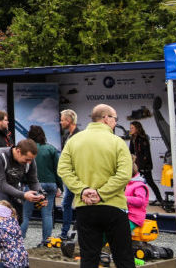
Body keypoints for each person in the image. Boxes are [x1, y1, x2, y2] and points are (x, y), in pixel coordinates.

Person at [57, 103, 135, 268]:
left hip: (85, 207)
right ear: (106, 118)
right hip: (114, 206)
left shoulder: (74, 140)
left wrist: (82, 190)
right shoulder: (117, 142)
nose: (116, 122)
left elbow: (63, 169)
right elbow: (124, 174)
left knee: (88, 258)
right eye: (115, 119)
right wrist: (101, 193)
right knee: (124, 258)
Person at [0, 139, 44, 233]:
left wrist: (40, 194)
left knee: (18, 218)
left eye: (31, 160)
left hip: (12, 188)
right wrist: (23, 195)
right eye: (27, 159)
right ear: (18, 151)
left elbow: (33, 181)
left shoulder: (30, 161)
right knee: (4, 204)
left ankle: (9, 241)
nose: (29, 162)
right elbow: (1, 184)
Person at [26, 125, 60, 243]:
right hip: (50, 184)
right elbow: (57, 169)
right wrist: (59, 186)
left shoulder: (27, 150)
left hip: (32, 185)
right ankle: (46, 241)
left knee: (25, 215)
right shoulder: (51, 149)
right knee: (47, 215)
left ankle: (18, 242)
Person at [128, 121, 168, 211]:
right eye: (130, 128)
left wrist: (142, 166)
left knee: (150, 182)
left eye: (132, 128)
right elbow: (131, 152)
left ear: (137, 128)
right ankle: (137, 200)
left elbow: (146, 154)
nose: (130, 130)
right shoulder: (132, 138)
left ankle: (160, 199)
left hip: (144, 166)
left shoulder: (143, 138)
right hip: (136, 165)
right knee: (136, 183)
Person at [58, 109, 81, 238]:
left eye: (62, 120)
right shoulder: (67, 135)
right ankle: (65, 232)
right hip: (68, 176)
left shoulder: (79, 136)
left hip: (76, 177)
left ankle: (73, 231)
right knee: (66, 203)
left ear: (69, 120)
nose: (60, 122)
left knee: (76, 203)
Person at [125, 157, 149, 232]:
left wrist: (124, 198)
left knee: (117, 232)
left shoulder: (139, 185)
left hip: (134, 217)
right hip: (125, 215)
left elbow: (140, 201)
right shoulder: (127, 183)